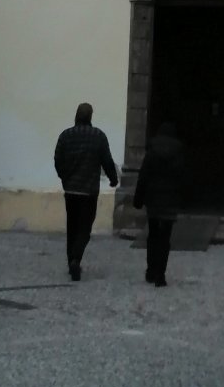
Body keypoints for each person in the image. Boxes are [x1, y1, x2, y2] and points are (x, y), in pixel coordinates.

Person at [54, 101, 118, 280]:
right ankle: (76, 258)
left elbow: (58, 159)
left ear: (76, 115)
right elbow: (107, 160)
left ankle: (70, 262)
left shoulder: (65, 136)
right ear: (90, 116)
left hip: (71, 189)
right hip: (89, 190)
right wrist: (113, 179)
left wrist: (65, 177)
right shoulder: (99, 136)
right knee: (85, 227)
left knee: (72, 226)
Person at [133, 122, 186, 287]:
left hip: (153, 199)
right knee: (165, 238)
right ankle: (161, 274)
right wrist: (183, 198)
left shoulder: (151, 152)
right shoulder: (179, 152)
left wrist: (138, 199)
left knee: (153, 235)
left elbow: (143, 176)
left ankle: (150, 270)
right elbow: (183, 176)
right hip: (170, 199)